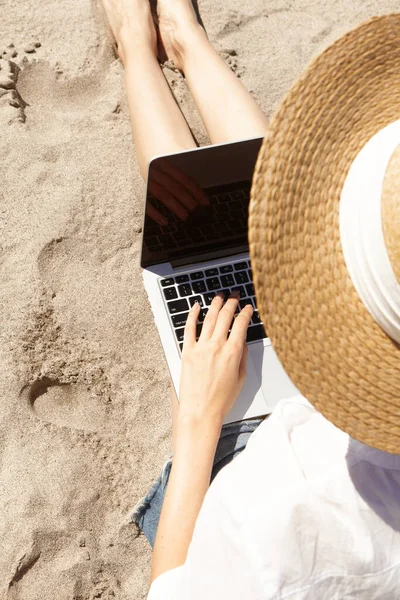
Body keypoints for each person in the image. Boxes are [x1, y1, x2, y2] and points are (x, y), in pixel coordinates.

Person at [101, 3, 400, 598]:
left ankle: (139, 47)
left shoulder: (284, 518)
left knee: (230, 240)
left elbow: (173, 589)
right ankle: (183, 42)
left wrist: (199, 416)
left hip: (233, 451)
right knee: (273, 215)